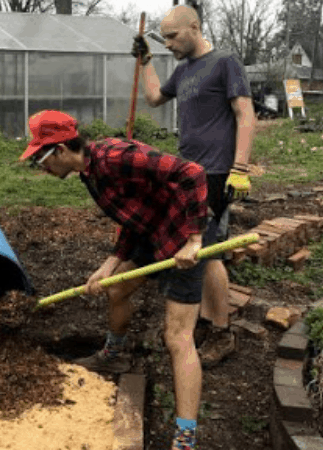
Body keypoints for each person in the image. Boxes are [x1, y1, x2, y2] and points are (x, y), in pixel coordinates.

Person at [20, 110, 208, 450]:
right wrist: (111, 263)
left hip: (183, 234)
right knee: (116, 288)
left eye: (40, 160)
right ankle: (114, 354)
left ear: (60, 150)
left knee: (178, 336)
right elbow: (133, 214)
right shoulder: (89, 172)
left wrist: (194, 239)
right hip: (153, 233)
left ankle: (185, 438)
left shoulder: (116, 157)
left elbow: (192, 172)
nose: (41, 168)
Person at [131, 4, 257, 367]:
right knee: (199, 247)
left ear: (195, 28)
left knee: (210, 250)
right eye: (164, 39)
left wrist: (240, 168)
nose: (169, 44)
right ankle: (204, 319)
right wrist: (146, 62)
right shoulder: (184, 70)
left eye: (173, 37)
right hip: (187, 173)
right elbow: (154, 98)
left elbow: (245, 113)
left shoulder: (224, 62)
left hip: (216, 172)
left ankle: (222, 331)